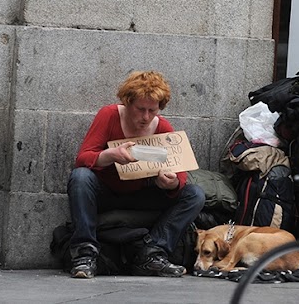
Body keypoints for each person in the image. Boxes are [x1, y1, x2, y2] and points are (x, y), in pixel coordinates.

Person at [68, 71, 205, 278]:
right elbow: (83, 158)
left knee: (194, 194)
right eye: (140, 109)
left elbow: (180, 174)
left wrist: (170, 183)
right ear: (128, 103)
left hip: (142, 193)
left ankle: (152, 253)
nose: (146, 117)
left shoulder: (162, 127)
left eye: (153, 110)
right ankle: (84, 253)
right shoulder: (109, 115)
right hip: (106, 191)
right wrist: (110, 155)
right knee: (80, 177)